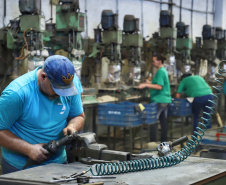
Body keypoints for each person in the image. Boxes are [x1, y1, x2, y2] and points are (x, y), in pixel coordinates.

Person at [0, 55, 85, 174]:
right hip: (19, 167)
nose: (62, 95)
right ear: (43, 77)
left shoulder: (70, 83)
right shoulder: (16, 94)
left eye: (65, 90)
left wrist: (73, 126)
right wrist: (28, 149)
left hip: (59, 164)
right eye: (57, 89)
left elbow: (78, 116)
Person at [138, 54, 171, 142]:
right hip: (165, 100)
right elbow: (158, 83)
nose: (152, 63)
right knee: (163, 122)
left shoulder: (160, 71)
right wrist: (150, 82)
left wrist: (145, 84)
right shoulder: (163, 70)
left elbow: (159, 86)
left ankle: (152, 142)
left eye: (154, 61)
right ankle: (163, 142)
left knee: (152, 120)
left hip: (159, 100)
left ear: (159, 61)